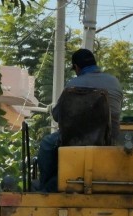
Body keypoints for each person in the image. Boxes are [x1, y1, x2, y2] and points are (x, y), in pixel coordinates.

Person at [36, 48, 124, 192]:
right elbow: (117, 111)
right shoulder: (114, 82)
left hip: (77, 140)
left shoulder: (73, 85)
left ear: (77, 67)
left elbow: (58, 117)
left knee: (47, 144)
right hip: (109, 139)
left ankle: (45, 188)